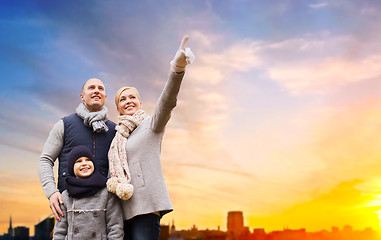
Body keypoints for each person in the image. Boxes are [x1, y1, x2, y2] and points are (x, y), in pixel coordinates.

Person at [107, 35, 195, 240]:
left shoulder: (151, 125)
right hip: (120, 211)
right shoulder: (116, 137)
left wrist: (177, 69)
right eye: (122, 99)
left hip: (146, 208)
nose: (128, 101)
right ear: (118, 107)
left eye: (132, 97)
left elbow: (167, 102)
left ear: (139, 101)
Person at [38, 78, 116, 222]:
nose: (96, 90)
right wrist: (52, 192)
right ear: (82, 96)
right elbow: (45, 160)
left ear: (105, 97)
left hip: (104, 208)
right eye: (91, 87)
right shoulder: (64, 125)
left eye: (101, 88)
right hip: (69, 206)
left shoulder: (114, 130)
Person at [53, 145, 124, 239]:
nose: (84, 163)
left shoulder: (106, 192)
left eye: (88, 160)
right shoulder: (66, 196)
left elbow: (115, 227)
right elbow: (59, 232)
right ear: (71, 168)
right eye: (78, 161)